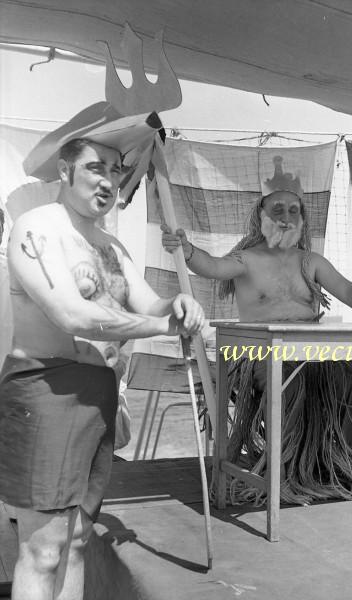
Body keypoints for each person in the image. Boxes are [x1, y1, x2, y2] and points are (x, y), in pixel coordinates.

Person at [0, 135, 204, 600]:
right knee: (43, 549)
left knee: (76, 541)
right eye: (96, 168)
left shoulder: (110, 245)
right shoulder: (38, 229)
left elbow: (150, 300)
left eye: (116, 170)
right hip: (46, 389)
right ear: (66, 172)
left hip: (99, 394)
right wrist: (158, 325)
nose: (109, 180)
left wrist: (179, 304)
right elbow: (72, 314)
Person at [162, 156, 352, 504]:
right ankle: (287, 473)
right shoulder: (246, 259)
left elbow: (348, 291)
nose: (286, 217)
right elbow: (211, 266)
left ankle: (342, 469)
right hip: (261, 354)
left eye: (293, 210)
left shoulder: (311, 261)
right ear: (261, 215)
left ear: (302, 218)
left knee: (347, 382)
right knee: (288, 381)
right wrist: (188, 251)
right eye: (278, 209)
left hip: (312, 351)